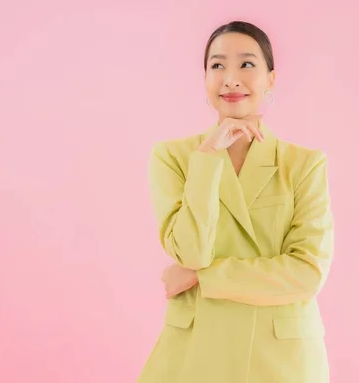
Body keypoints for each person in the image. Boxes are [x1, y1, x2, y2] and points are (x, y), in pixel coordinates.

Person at [138, 21, 334, 383]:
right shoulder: (174, 156)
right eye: (217, 65)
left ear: (271, 78)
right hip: (195, 353)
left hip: (280, 359)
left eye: (246, 64)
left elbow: (306, 273)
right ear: (205, 79)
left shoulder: (304, 164)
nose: (230, 78)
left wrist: (202, 277)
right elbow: (191, 251)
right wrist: (208, 156)